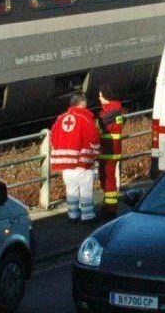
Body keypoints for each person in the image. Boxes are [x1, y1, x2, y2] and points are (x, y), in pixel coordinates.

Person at [48, 93, 101, 220]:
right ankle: (87, 215)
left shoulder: (61, 118)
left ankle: (73, 214)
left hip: (65, 163)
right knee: (85, 189)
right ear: (83, 103)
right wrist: (96, 151)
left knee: (71, 190)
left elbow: (53, 138)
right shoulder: (85, 118)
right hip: (82, 161)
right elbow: (93, 137)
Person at [96, 85, 125, 214]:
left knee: (108, 178)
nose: (99, 98)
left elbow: (109, 127)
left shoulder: (112, 112)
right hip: (107, 149)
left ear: (106, 97)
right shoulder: (111, 110)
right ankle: (108, 203)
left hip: (109, 149)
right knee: (105, 177)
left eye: (101, 96)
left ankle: (111, 207)